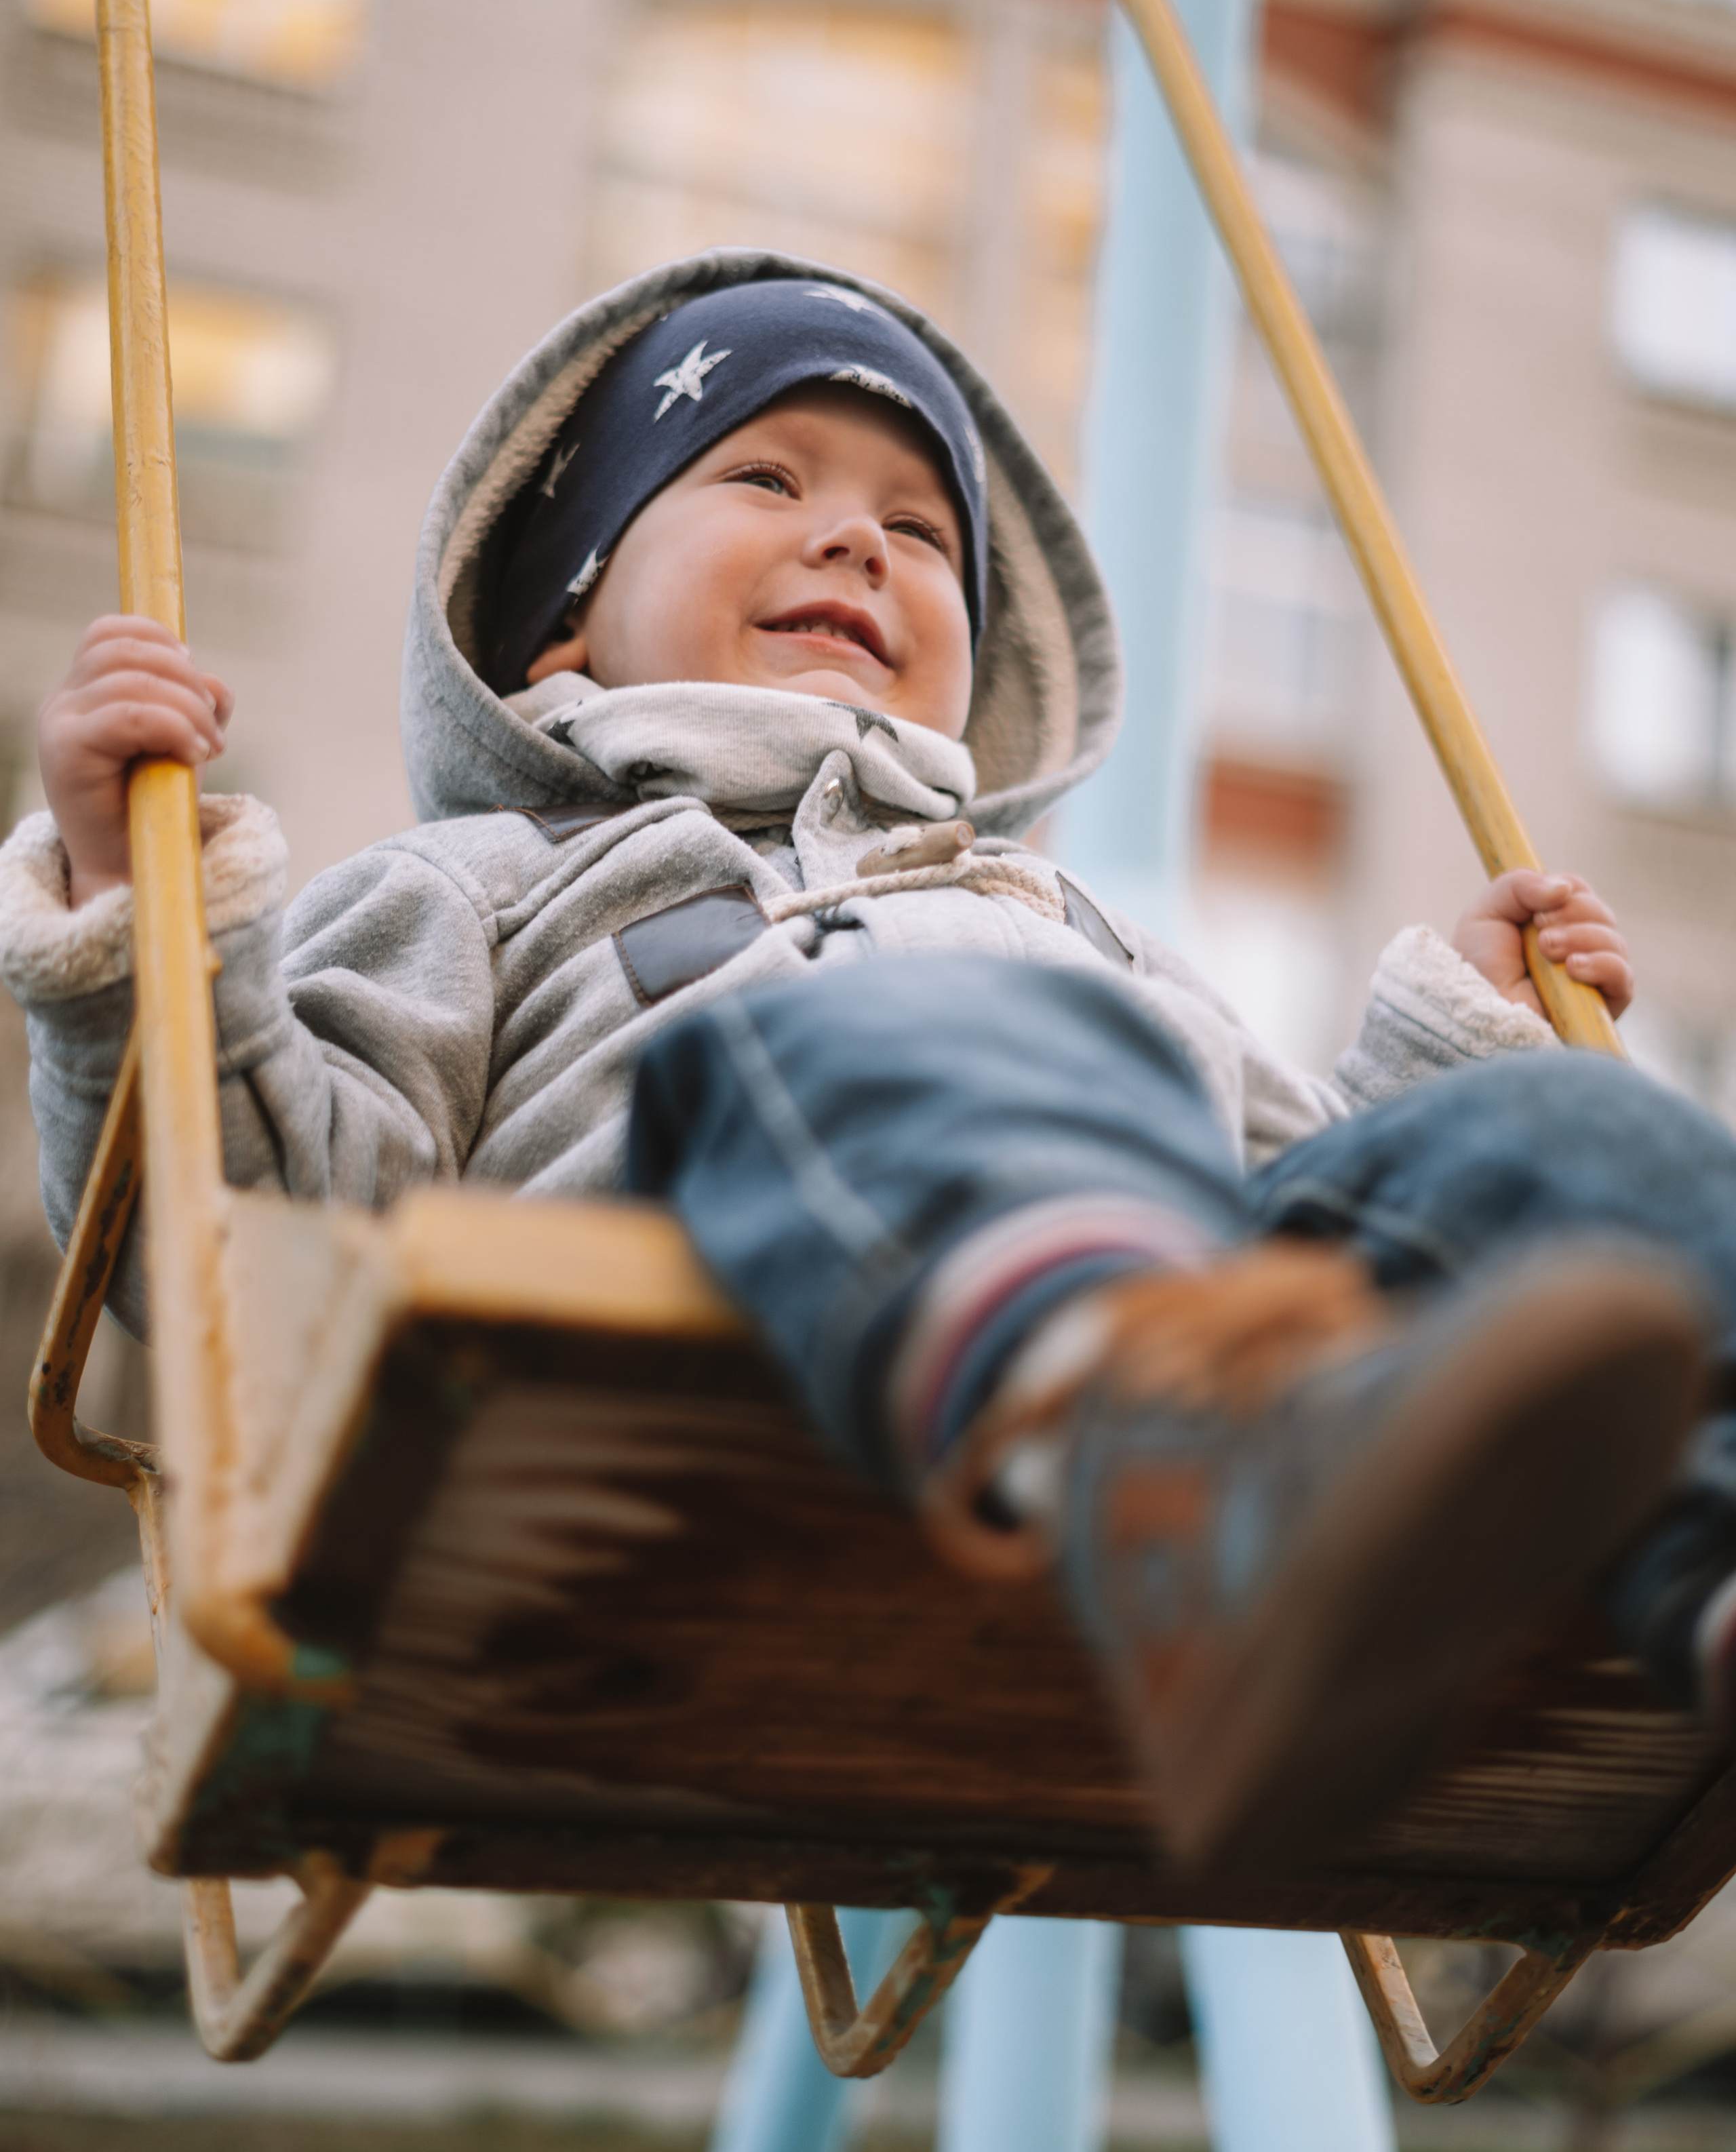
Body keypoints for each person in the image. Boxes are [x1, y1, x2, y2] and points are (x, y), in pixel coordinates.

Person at [3, 252, 1730, 1873]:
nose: (855, 541)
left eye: (917, 529)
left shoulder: (1067, 923)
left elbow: (1289, 1209)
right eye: (764, 482)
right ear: (564, 625)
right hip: (655, 1448)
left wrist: (1451, 1074)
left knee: (1570, 1135)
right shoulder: (485, 883)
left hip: (1188, 1376)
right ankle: (1157, 1479)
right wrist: (127, 926)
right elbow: (243, 1238)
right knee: (886, 1008)